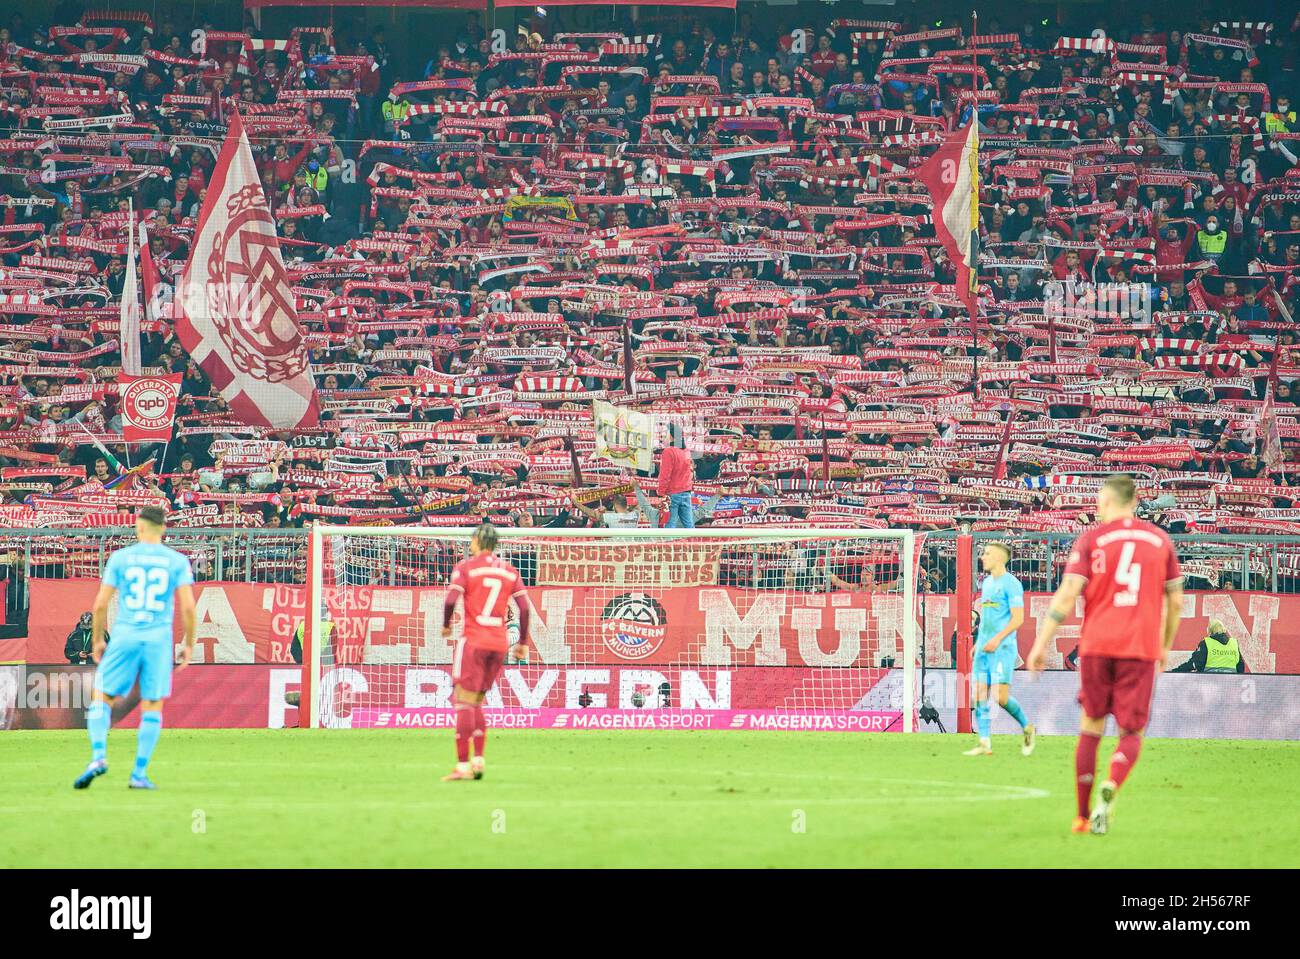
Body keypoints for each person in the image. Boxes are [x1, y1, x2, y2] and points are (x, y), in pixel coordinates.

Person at [1028, 475, 1183, 835]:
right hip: (1140, 647)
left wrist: (1041, 643)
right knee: (1131, 730)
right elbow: (1174, 600)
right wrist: (1165, 644)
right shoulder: (1160, 540)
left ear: (1111, 501)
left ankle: (1081, 816)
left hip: (1097, 646)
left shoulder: (1091, 539)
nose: (1098, 507)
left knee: (1091, 727)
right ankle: (1112, 783)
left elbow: (1067, 595)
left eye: (1100, 501)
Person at [73, 506, 197, 790]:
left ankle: (98, 757)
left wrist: (97, 640)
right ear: (163, 529)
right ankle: (139, 773)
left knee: (102, 696)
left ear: (139, 527)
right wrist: (188, 644)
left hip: (126, 635)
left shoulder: (121, 558)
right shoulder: (176, 561)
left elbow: (101, 604)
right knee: (152, 704)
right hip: (158, 640)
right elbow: (189, 608)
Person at [438, 522, 531, 782]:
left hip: (475, 641)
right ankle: (478, 760)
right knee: (477, 700)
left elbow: (449, 600)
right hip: (499, 643)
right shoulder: (510, 571)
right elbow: (524, 608)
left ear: (477, 541)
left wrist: (446, 626)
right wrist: (522, 642)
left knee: (463, 701)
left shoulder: (466, 568)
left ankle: (463, 765)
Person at [963, 543, 1035, 757]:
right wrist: (979, 642)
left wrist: (996, 639)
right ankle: (985, 742)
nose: (983, 557)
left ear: (1000, 558)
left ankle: (1027, 726)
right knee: (979, 694)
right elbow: (987, 617)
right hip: (985, 646)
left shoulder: (1011, 584)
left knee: (1000, 697)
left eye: (987, 554)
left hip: (1002, 648)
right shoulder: (986, 583)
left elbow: (1018, 619)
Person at [1170, 619, 1245, 673]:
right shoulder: (1234, 643)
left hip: (1210, 685)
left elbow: (1194, 664)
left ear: (1209, 631)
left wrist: (1175, 671)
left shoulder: (1206, 643)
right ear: (1224, 630)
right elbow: (1240, 667)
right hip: (1230, 685)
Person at [656, 437, 695, 529]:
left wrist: (661, 492)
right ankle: (694, 542)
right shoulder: (686, 451)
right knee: (689, 525)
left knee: (670, 524)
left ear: (671, 437)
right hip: (686, 492)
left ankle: (669, 543)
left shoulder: (668, 451)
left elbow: (665, 474)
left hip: (672, 493)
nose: (663, 438)